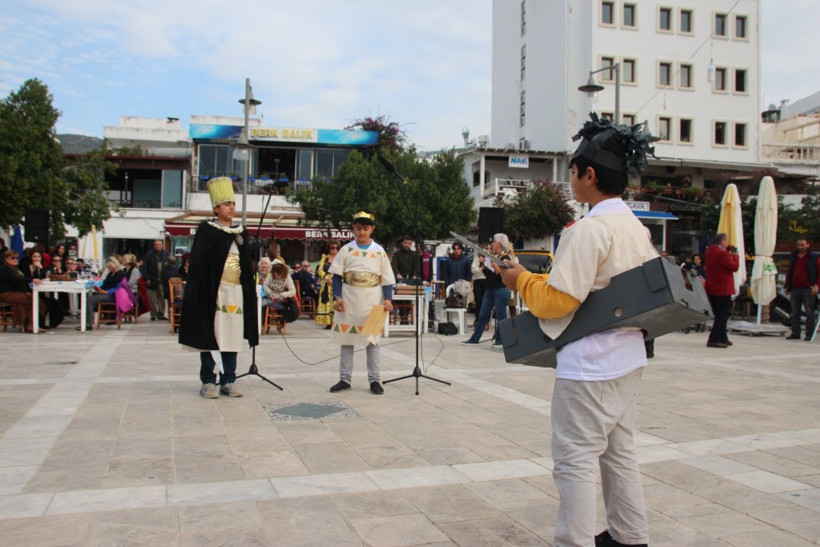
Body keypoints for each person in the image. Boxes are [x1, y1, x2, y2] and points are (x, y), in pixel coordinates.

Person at [500, 114, 657, 547]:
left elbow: (557, 301)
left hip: (590, 365)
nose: (570, 180)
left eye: (572, 172)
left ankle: (575, 541)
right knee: (619, 453)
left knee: (575, 460)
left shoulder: (589, 229)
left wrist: (519, 280)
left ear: (589, 175)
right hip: (627, 356)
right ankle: (629, 536)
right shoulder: (635, 227)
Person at [179, 177, 258, 399]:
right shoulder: (207, 231)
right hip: (213, 291)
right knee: (211, 334)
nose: (232, 208)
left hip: (235, 291)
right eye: (227, 204)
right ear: (216, 208)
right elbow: (199, 265)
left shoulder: (240, 232)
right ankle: (208, 380)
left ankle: (229, 380)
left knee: (231, 335)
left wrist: (253, 250)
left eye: (233, 204)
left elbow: (245, 264)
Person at [328, 211, 395, 395]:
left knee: (372, 341)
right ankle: (344, 379)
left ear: (372, 229)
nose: (362, 232)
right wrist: (337, 297)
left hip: (372, 299)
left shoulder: (379, 251)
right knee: (347, 339)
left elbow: (387, 278)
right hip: (349, 299)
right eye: (358, 228)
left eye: (365, 228)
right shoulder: (346, 250)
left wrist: (388, 299)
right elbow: (336, 277)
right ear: (353, 229)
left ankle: (374, 379)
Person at [462, 234, 513, 347]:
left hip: (500, 289)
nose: (492, 243)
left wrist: (495, 266)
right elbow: (488, 275)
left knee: (500, 315)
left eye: (494, 241)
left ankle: (500, 339)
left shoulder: (505, 258)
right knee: (483, 314)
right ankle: (475, 338)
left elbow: (503, 276)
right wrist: (483, 265)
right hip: (490, 289)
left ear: (500, 244)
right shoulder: (492, 256)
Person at [705, 233, 740, 348]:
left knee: (719, 313)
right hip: (723, 288)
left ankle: (723, 337)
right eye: (727, 241)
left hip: (712, 287)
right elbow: (734, 267)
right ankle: (714, 339)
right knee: (722, 315)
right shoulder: (722, 254)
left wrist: (727, 250)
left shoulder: (710, 250)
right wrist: (735, 255)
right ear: (723, 241)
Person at [0, 250, 46, 332]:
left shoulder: (14, 269)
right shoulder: (5, 269)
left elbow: (20, 280)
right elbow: (16, 279)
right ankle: (31, 325)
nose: (15, 260)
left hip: (15, 293)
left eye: (17, 258)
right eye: (12, 258)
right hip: (6, 294)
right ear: (6, 259)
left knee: (26, 302)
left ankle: (26, 324)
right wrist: (32, 279)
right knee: (33, 300)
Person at [784, 238, 819, 340]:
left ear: (808, 245)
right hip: (795, 288)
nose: (800, 247)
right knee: (795, 312)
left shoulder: (813, 257)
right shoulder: (793, 256)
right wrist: (787, 286)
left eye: (802, 245)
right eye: (798, 245)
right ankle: (795, 332)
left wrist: (817, 285)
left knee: (809, 312)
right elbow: (789, 271)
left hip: (808, 288)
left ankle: (809, 334)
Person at [80, 256, 126, 331]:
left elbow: (119, 288)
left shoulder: (120, 274)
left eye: (109, 266)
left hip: (113, 295)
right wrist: (98, 287)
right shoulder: (111, 273)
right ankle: (87, 321)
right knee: (89, 299)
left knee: (89, 301)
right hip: (106, 292)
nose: (109, 268)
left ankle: (88, 323)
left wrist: (105, 292)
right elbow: (105, 283)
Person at [142, 239, 170, 321]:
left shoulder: (166, 254)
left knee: (161, 298)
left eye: (159, 244)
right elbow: (144, 268)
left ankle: (161, 314)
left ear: (162, 245)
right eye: (156, 244)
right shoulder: (149, 254)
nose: (158, 246)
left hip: (162, 280)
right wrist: (147, 278)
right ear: (154, 245)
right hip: (151, 279)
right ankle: (153, 314)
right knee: (152, 299)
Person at [315, 240, 340, 328]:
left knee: (335, 300)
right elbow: (320, 270)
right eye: (332, 248)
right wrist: (326, 277)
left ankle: (336, 322)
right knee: (327, 301)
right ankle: (328, 322)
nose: (335, 250)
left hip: (337, 282)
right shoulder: (325, 258)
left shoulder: (340, 258)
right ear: (329, 249)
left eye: (336, 248)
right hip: (326, 283)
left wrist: (335, 279)